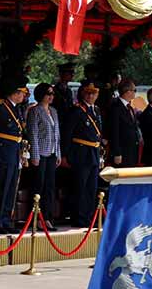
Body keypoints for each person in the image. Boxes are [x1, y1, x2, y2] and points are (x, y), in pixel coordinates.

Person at [61, 82, 104, 228]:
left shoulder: (96, 110)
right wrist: (65, 155)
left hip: (93, 152)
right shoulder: (76, 110)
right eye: (88, 93)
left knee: (91, 187)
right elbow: (67, 133)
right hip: (81, 152)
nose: (91, 96)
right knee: (80, 186)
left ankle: (88, 217)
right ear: (83, 94)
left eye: (94, 93)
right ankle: (78, 217)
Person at [27, 83, 62, 230]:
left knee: (50, 186)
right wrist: (34, 155)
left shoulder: (53, 111)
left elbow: (57, 134)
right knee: (38, 185)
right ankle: (37, 218)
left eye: (52, 93)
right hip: (40, 153)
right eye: (49, 93)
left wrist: (58, 153)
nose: (51, 96)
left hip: (52, 152)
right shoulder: (35, 111)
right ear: (41, 94)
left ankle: (47, 217)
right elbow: (33, 134)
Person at [0, 77, 28, 234]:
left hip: (14, 151)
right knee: (3, 186)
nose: (24, 96)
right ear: (15, 93)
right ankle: (0, 220)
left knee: (11, 187)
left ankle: (6, 219)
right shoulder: (2, 108)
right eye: (21, 93)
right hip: (4, 152)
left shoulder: (17, 108)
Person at [109, 79, 141, 168]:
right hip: (122, 152)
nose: (135, 93)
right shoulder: (116, 107)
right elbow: (114, 131)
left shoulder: (129, 107)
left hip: (131, 151)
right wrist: (117, 153)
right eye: (134, 90)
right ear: (127, 92)